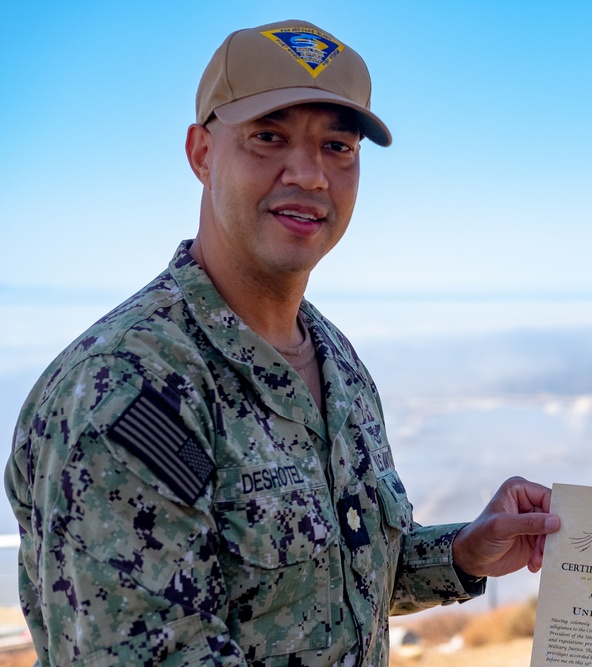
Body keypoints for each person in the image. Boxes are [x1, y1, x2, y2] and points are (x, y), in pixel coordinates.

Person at [4, 20, 559, 666]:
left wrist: (462, 552)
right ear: (201, 152)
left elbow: (332, 583)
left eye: (337, 147)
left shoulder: (334, 359)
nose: (310, 174)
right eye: (269, 137)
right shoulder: (130, 389)